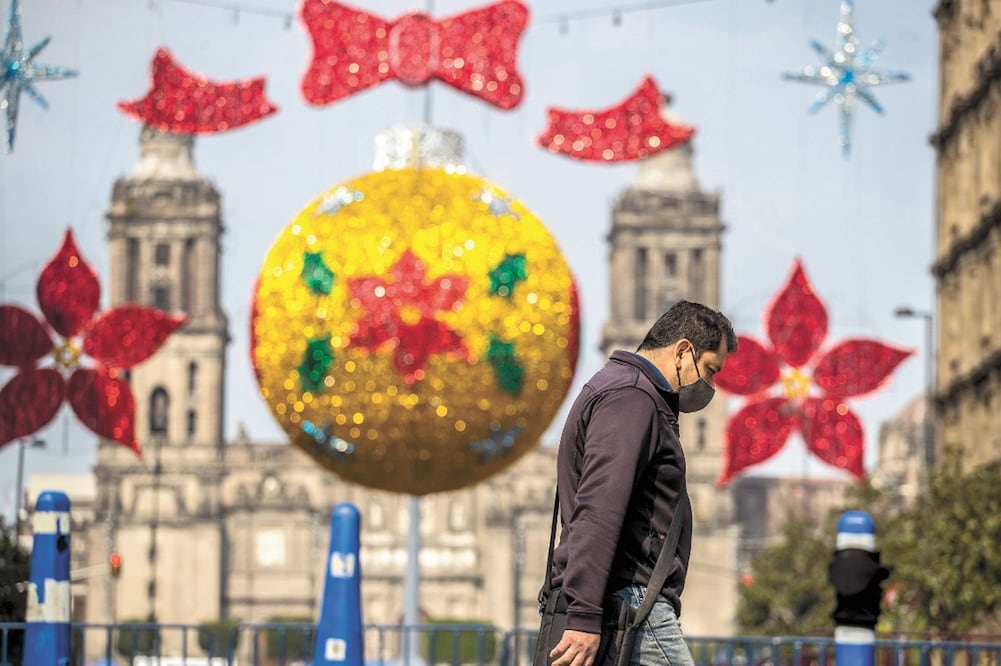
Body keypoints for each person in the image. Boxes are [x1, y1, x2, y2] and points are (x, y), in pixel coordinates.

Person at [545, 300, 737, 666]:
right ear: (682, 351)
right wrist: (584, 615)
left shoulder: (624, 392)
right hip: (632, 605)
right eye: (709, 370)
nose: (709, 385)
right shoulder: (632, 399)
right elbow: (600, 507)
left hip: (624, 603)